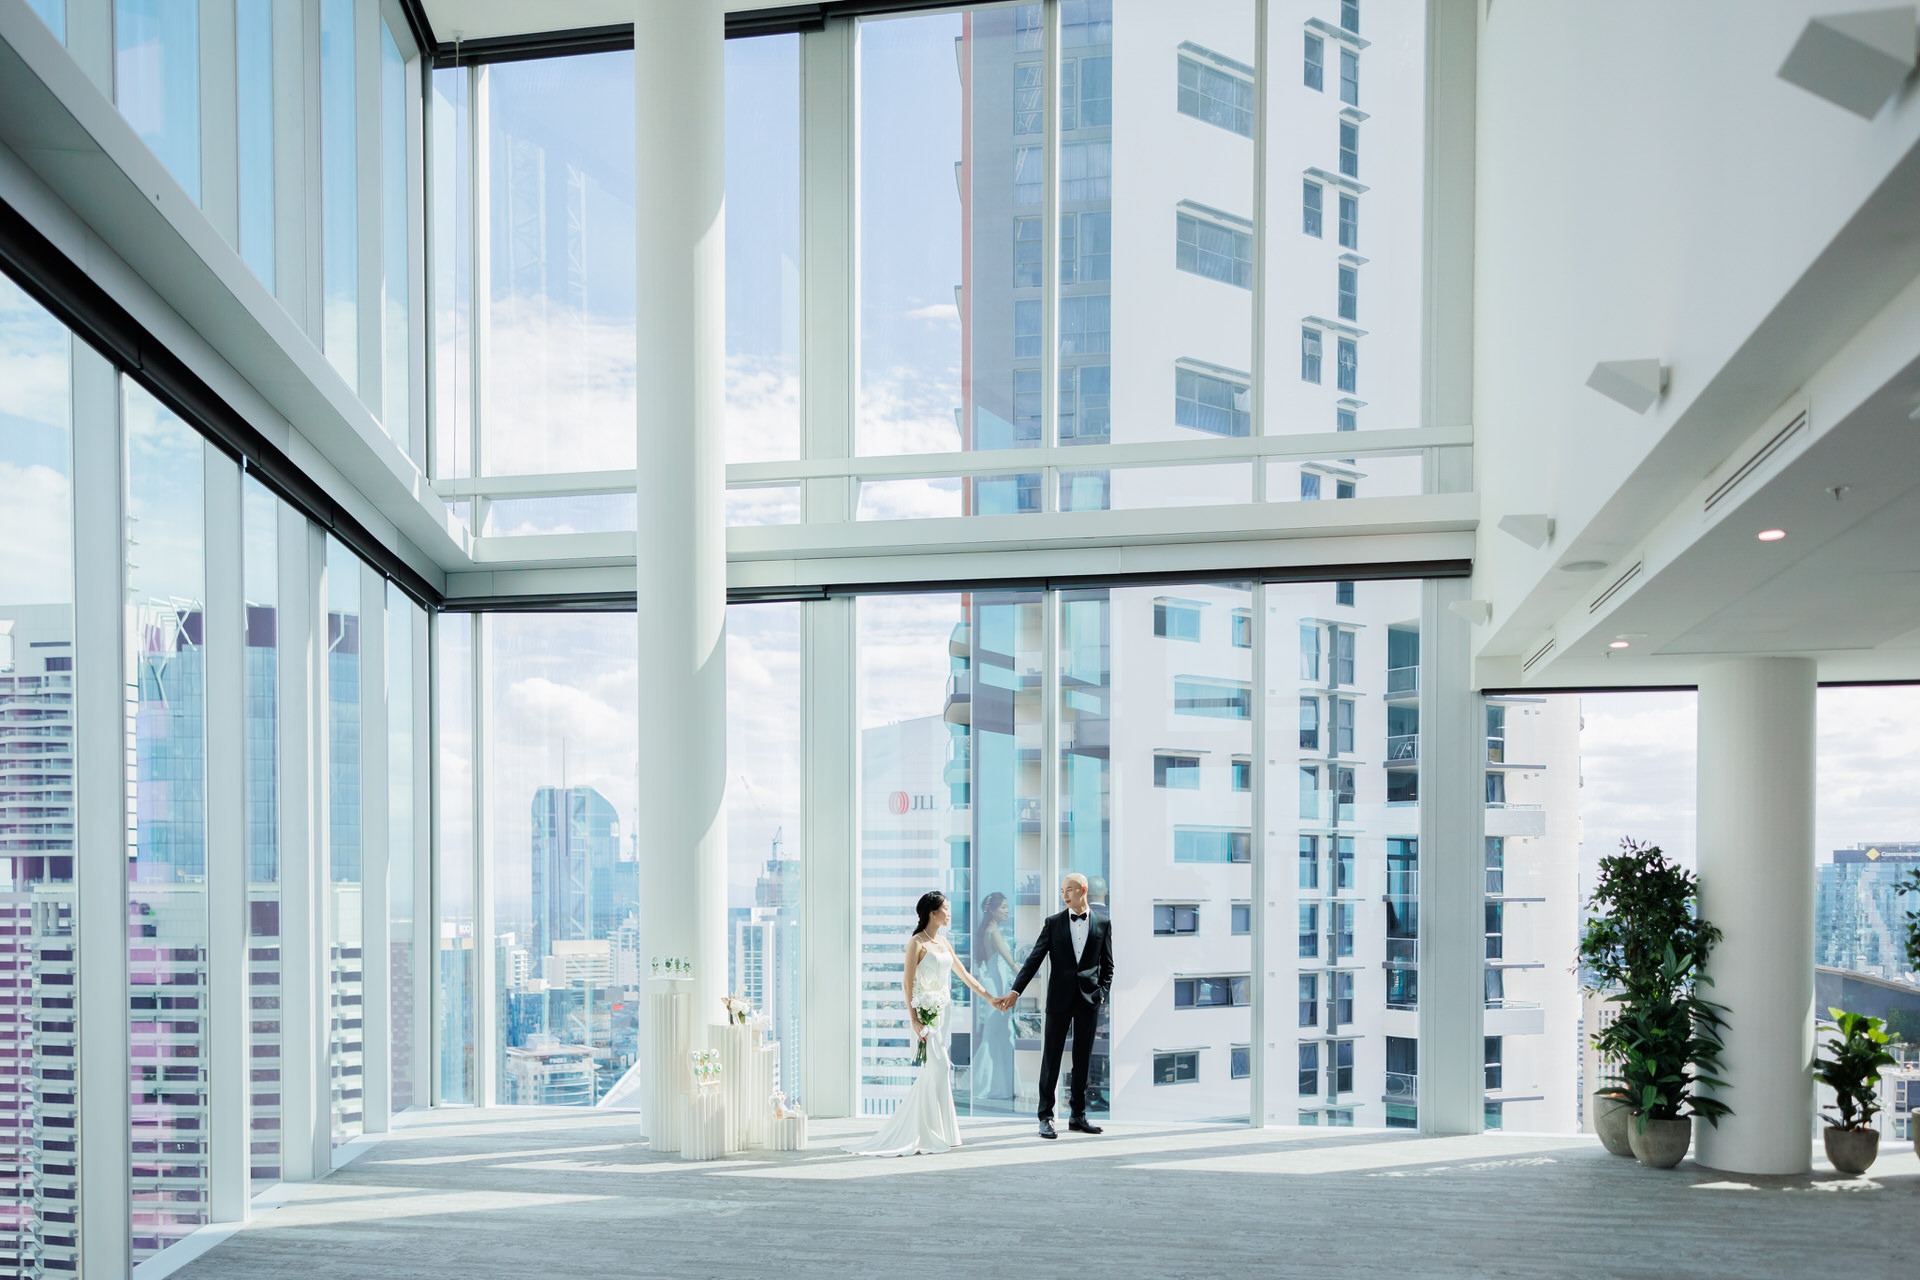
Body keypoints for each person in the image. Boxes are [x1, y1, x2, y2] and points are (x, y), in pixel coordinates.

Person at [847, 891, 1006, 1156]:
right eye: (946, 908)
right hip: (924, 1016)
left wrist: (990, 999)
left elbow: (964, 975)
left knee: (935, 1071)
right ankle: (933, 1131)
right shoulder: (916, 943)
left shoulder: (943, 942)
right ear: (932, 913)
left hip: (943, 1013)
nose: (949, 913)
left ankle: (941, 1132)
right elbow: (907, 983)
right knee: (940, 1066)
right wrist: (914, 1020)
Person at [993, 872, 1114, 1139]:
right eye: (1062, 891)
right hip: (1058, 1000)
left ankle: (1077, 1116)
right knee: (1051, 1059)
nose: (1065, 895)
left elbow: (1108, 965)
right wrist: (1015, 991)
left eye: (1069, 890)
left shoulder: (1103, 923)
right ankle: (1045, 1117)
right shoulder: (1054, 923)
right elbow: (1034, 959)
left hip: (1088, 1001)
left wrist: (1102, 993)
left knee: (1083, 1060)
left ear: (1082, 890)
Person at [971, 891, 1017, 1102]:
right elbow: (1010, 963)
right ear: (992, 910)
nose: (1007, 911)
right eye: (1003, 907)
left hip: (993, 984)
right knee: (997, 1036)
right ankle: (991, 1085)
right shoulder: (994, 932)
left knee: (995, 1035)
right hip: (998, 987)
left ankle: (993, 1084)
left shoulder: (984, 931)